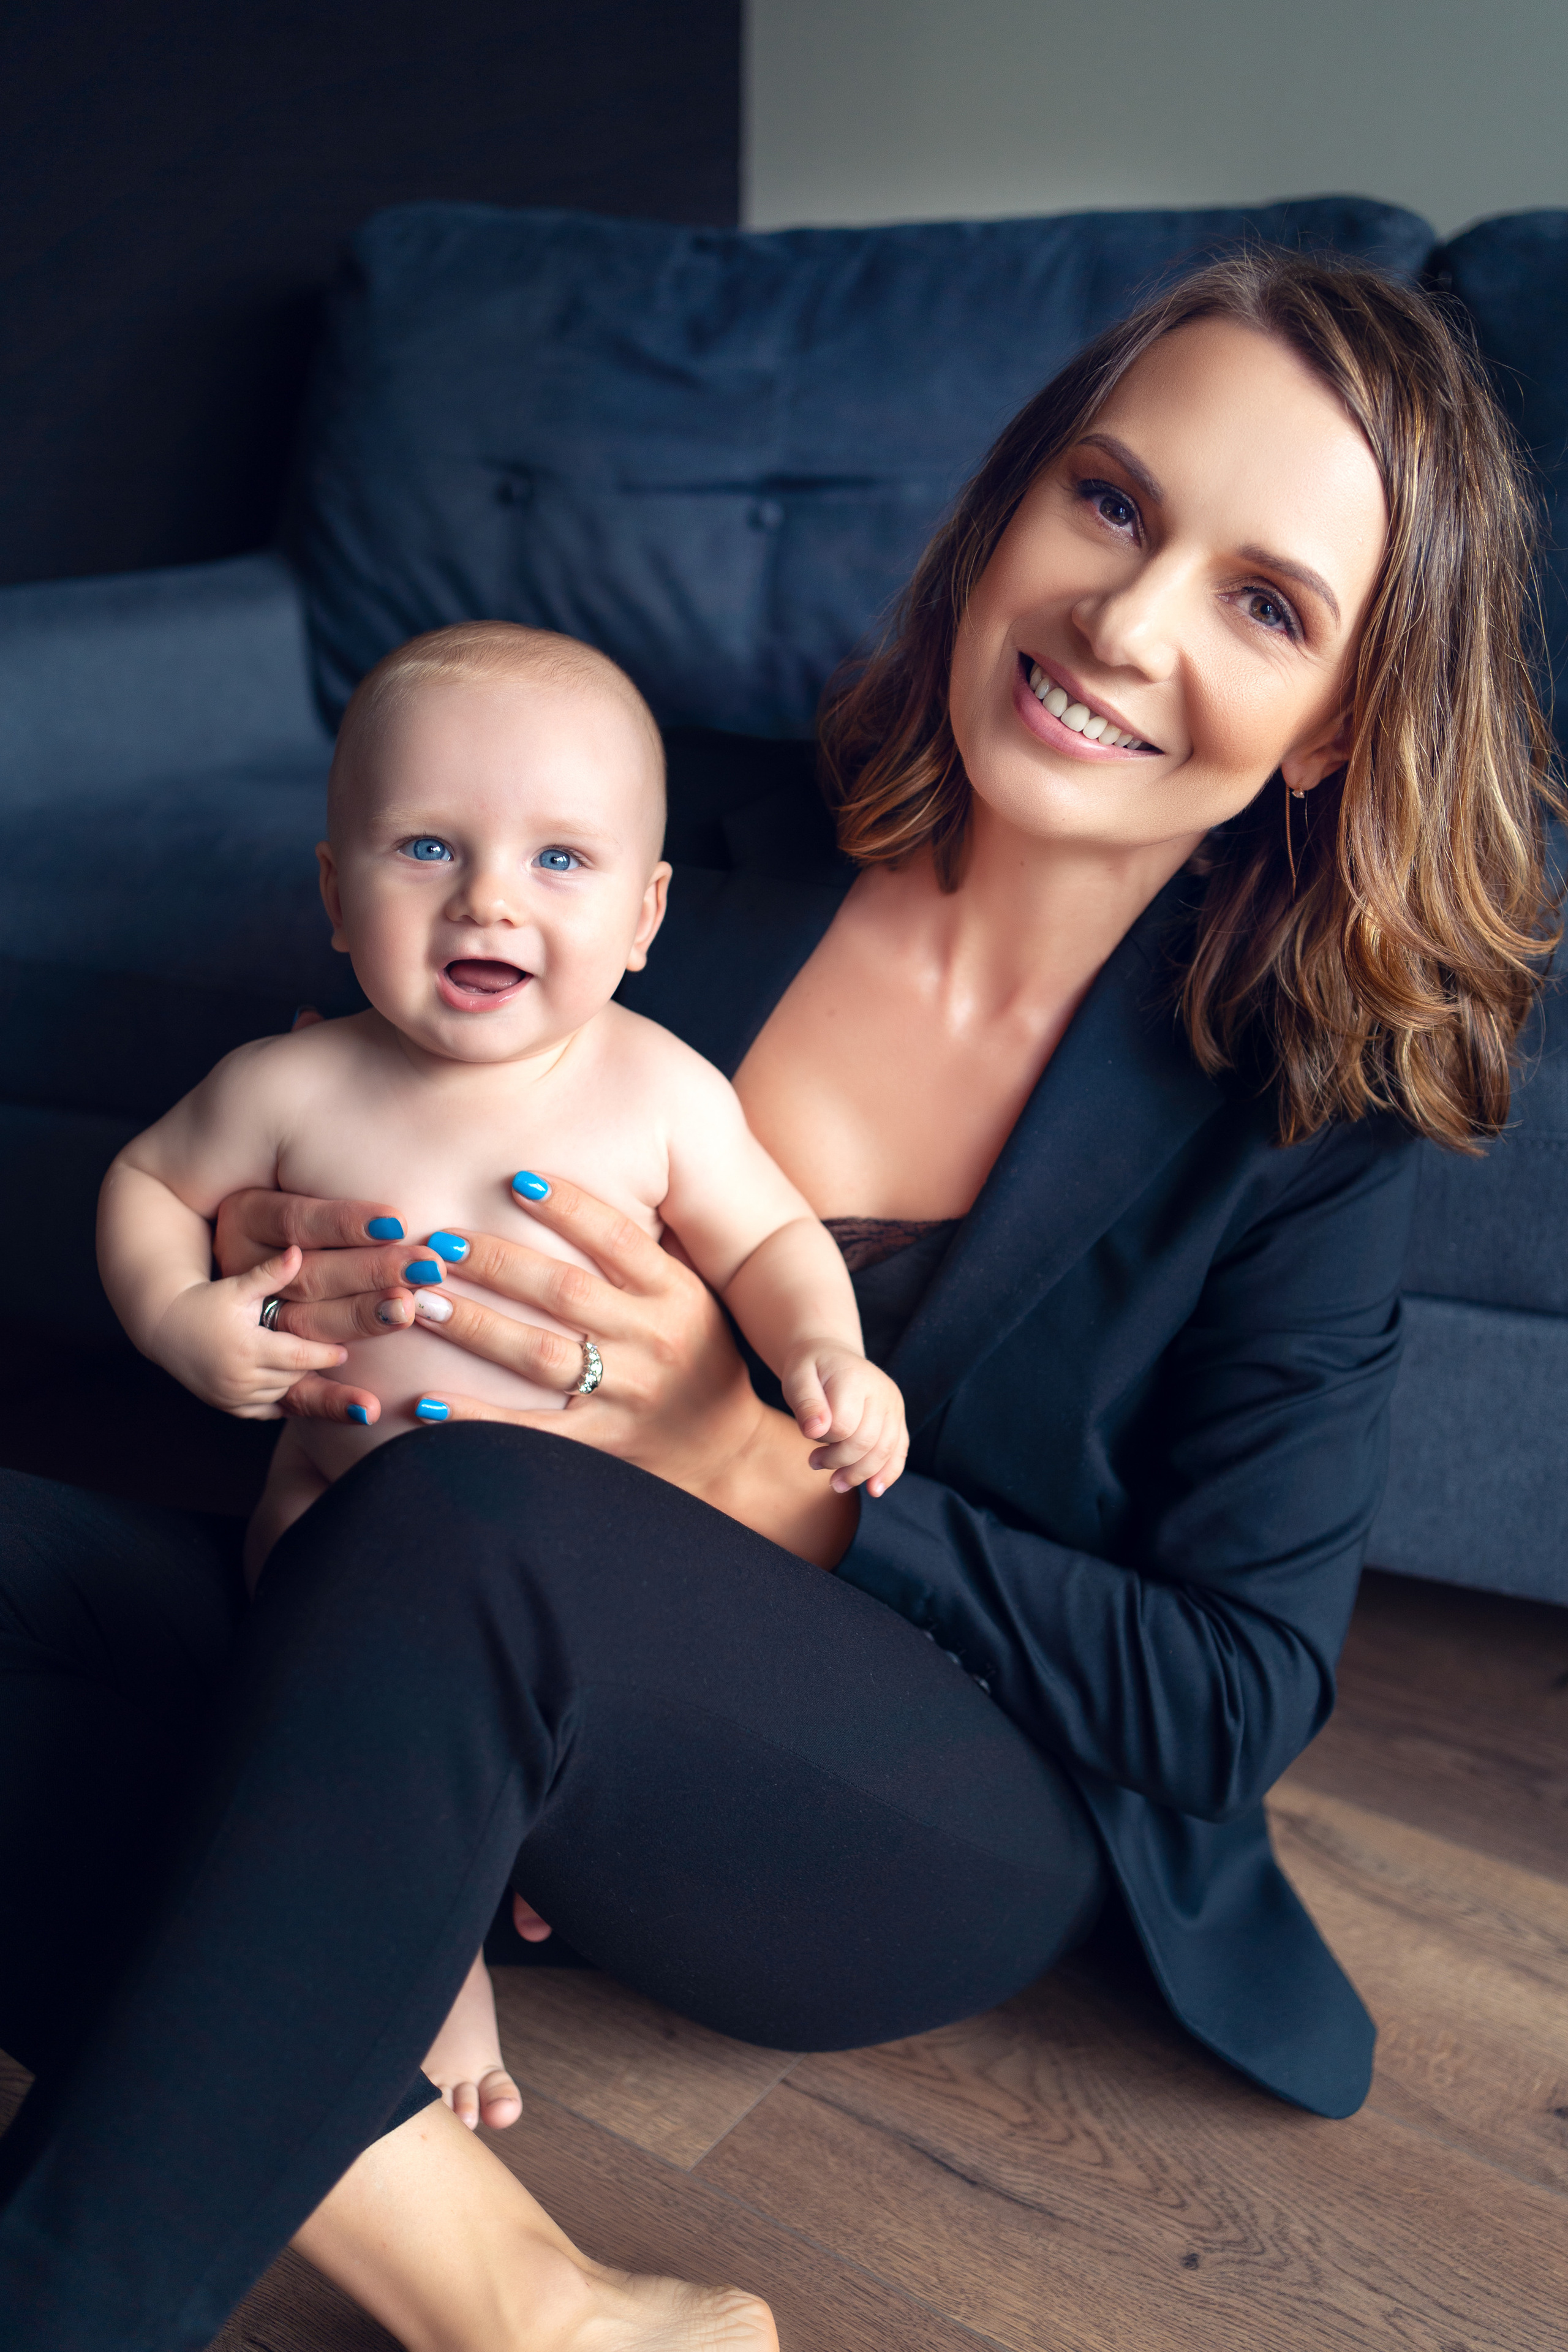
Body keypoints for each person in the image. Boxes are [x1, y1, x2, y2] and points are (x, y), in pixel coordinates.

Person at [0, 249, 1558, 2352]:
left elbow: (1226, 1702)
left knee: (467, 1544)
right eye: (1109, 502)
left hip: (923, 1807)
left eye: (1264, 603)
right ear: (1012, 504)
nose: (1125, 618)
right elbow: (333, 1136)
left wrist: (768, 1470)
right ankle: (508, 2285)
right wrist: (294, 1261)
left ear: (1333, 730)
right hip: (434, 1651)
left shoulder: (1302, 1127)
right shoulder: (641, 837)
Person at [94, 616, 906, 2137]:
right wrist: (174, 1319)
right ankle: (436, 1951)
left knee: (540, 1719)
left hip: (573, 1563)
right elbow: (145, 1181)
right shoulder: (290, 1085)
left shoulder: (657, 1090)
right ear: (336, 895)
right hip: (324, 1524)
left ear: (648, 913)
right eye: (423, 848)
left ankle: (534, 1861)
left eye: (560, 861)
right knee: (320, 1725)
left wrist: (825, 1356)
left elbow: (774, 1241)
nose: (487, 898)